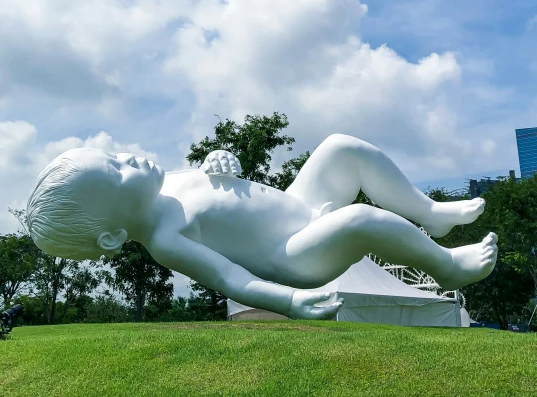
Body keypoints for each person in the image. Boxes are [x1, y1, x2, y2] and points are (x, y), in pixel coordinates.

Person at [27, 134, 497, 320]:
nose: (126, 157)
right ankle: (448, 267)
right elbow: (233, 279)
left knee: (341, 148)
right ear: (111, 234)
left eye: (112, 157)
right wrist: (291, 301)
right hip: (292, 253)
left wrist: (216, 160)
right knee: (360, 220)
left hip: (298, 204)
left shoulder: (168, 181)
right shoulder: (166, 240)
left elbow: (213, 182)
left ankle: (429, 214)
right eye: (116, 172)